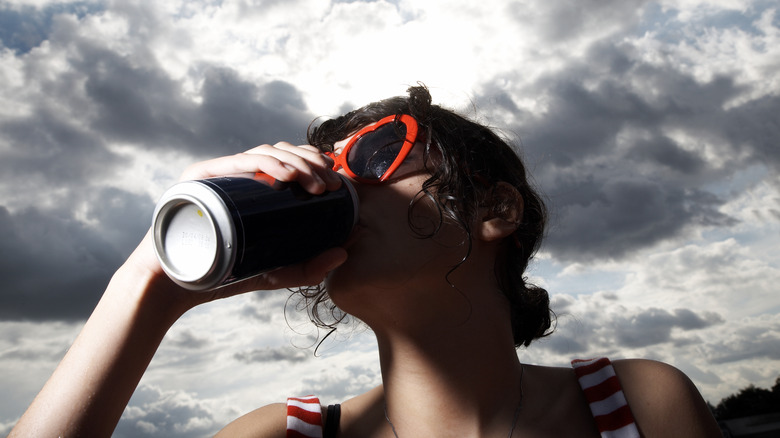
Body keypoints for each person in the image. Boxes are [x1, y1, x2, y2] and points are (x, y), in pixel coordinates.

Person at [10, 86, 721, 437]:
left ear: (494, 210)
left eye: (379, 153)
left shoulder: (636, 406)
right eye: (322, 170)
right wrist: (150, 284)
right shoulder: (281, 436)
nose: (341, 184)